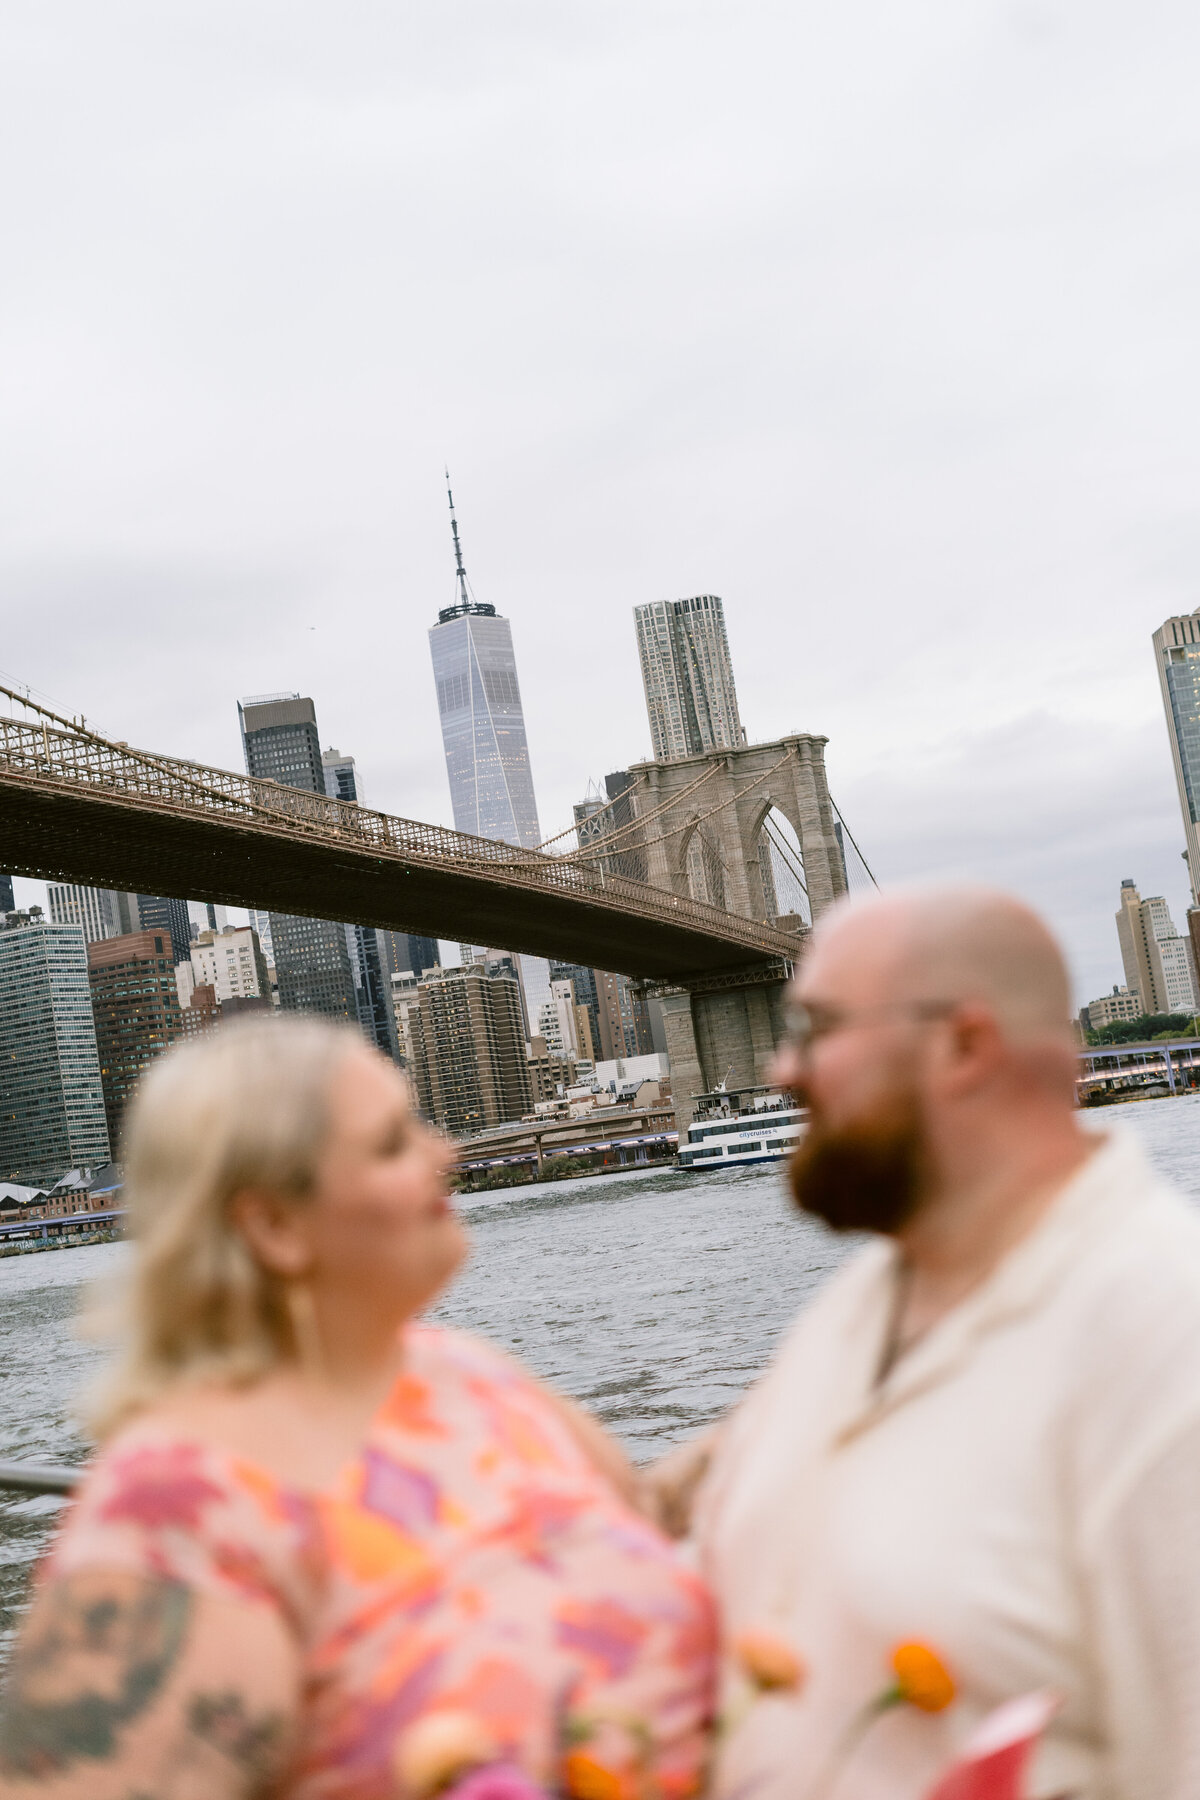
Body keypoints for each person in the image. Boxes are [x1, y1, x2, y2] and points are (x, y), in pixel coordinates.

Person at [0, 1019, 714, 1800]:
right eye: (391, 1143)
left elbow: (643, 1514)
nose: (446, 1155)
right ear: (272, 1225)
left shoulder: (467, 1375)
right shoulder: (179, 1511)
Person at [686, 885, 1200, 1800]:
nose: (781, 1071)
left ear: (963, 1045)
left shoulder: (1164, 1337)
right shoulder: (857, 1307)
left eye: (816, 1028)